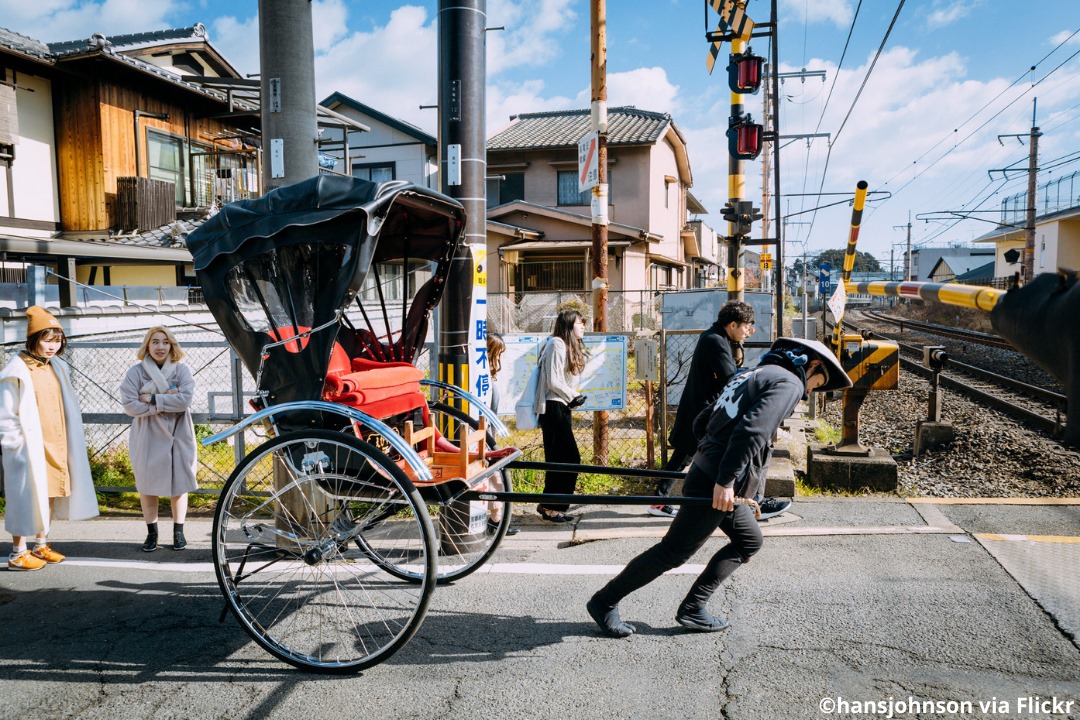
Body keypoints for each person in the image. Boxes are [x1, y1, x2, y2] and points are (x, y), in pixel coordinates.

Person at [587, 337, 851, 638]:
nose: (809, 390)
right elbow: (753, 429)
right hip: (720, 483)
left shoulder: (748, 373)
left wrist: (709, 457)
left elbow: (703, 420)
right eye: (816, 383)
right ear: (812, 364)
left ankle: (693, 607)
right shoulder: (789, 382)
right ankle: (604, 601)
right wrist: (724, 480)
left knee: (749, 540)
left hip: (716, 477)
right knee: (672, 552)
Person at [0, 306, 99, 571]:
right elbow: (5, 414)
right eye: (47, 340)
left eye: (57, 341)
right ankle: (17, 553)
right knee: (23, 497)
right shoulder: (17, 369)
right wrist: (14, 446)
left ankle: (41, 544)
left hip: (56, 440)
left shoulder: (55, 366)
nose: (53, 346)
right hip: (28, 446)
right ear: (33, 339)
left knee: (51, 493)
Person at [651, 300, 756, 519]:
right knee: (712, 454)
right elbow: (730, 377)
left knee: (685, 457)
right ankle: (740, 503)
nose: (749, 331)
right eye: (747, 326)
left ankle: (662, 500)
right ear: (734, 324)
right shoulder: (716, 341)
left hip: (699, 409)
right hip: (704, 412)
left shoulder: (713, 336)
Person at [119, 326, 198, 552]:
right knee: (147, 485)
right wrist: (165, 400)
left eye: (165, 342)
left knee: (179, 484)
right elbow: (130, 405)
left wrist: (151, 399)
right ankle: (151, 533)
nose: (160, 347)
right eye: (155, 342)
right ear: (147, 345)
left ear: (172, 346)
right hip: (147, 433)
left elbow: (185, 401)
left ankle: (179, 532)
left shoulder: (182, 370)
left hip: (178, 433)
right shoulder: (136, 372)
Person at [533, 309, 588, 523]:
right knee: (567, 458)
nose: (583, 326)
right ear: (568, 325)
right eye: (579, 323)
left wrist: (572, 399)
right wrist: (574, 396)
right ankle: (551, 506)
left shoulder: (565, 345)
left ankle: (551, 505)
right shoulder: (557, 343)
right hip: (553, 406)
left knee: (561, 457)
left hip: (560, 407)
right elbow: (553, 382)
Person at [484, 331, 518, 536]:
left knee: (495, 478)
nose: (501, 358)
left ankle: (495, 520)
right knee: (496, 479)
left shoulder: (487, 376)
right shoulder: (483, 378)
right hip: (485, 437)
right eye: (499, 353)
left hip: (489, 435)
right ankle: (495, 521)